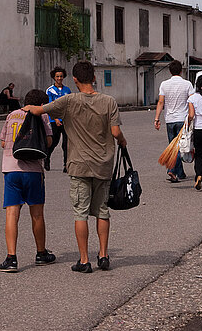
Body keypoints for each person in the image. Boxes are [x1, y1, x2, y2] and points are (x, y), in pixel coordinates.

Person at [24, 61, 127, 273]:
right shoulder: (109, 101)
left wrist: (26, 108)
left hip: (79, 165)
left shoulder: (68, 101)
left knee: (80, 213)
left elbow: (39, 110)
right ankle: (104, 255)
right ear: (95, 78)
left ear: (76, 80)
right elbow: (116, 132)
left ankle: (84, 260)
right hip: (103, 164)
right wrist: (123, 142)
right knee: (102, 211)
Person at [0, 89, 55, 272]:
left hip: (11, 169)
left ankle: (11, 258)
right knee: (37, 214)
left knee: (11, 214)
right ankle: (41, 253)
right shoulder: (42, 116)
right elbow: (47, 142)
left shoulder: (12, 115)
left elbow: (3, 143)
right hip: (33, 171)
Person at [154, 60, 194, 183]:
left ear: (170, 71)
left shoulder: (164, 84)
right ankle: (171, 169)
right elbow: (192, 102)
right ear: (181, 71)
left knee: (173, 146)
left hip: (170, 119)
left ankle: (180, 173)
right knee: (178, 147)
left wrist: (157, 118)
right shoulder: (187, 84)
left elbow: (161, 102)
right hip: (183, 119)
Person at [45, 66, 72, 172]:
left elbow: (69, 105)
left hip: (65, 120)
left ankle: (66, 165)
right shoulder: (50, 90)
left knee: (66, 144)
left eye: (61, 76)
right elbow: (50, 106)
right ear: (54, 77)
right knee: (53, 142)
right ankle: (47, 159)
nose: (59, 78)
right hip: (54, 121)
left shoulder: (67, 90)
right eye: (57, 76)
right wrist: (55, 119)